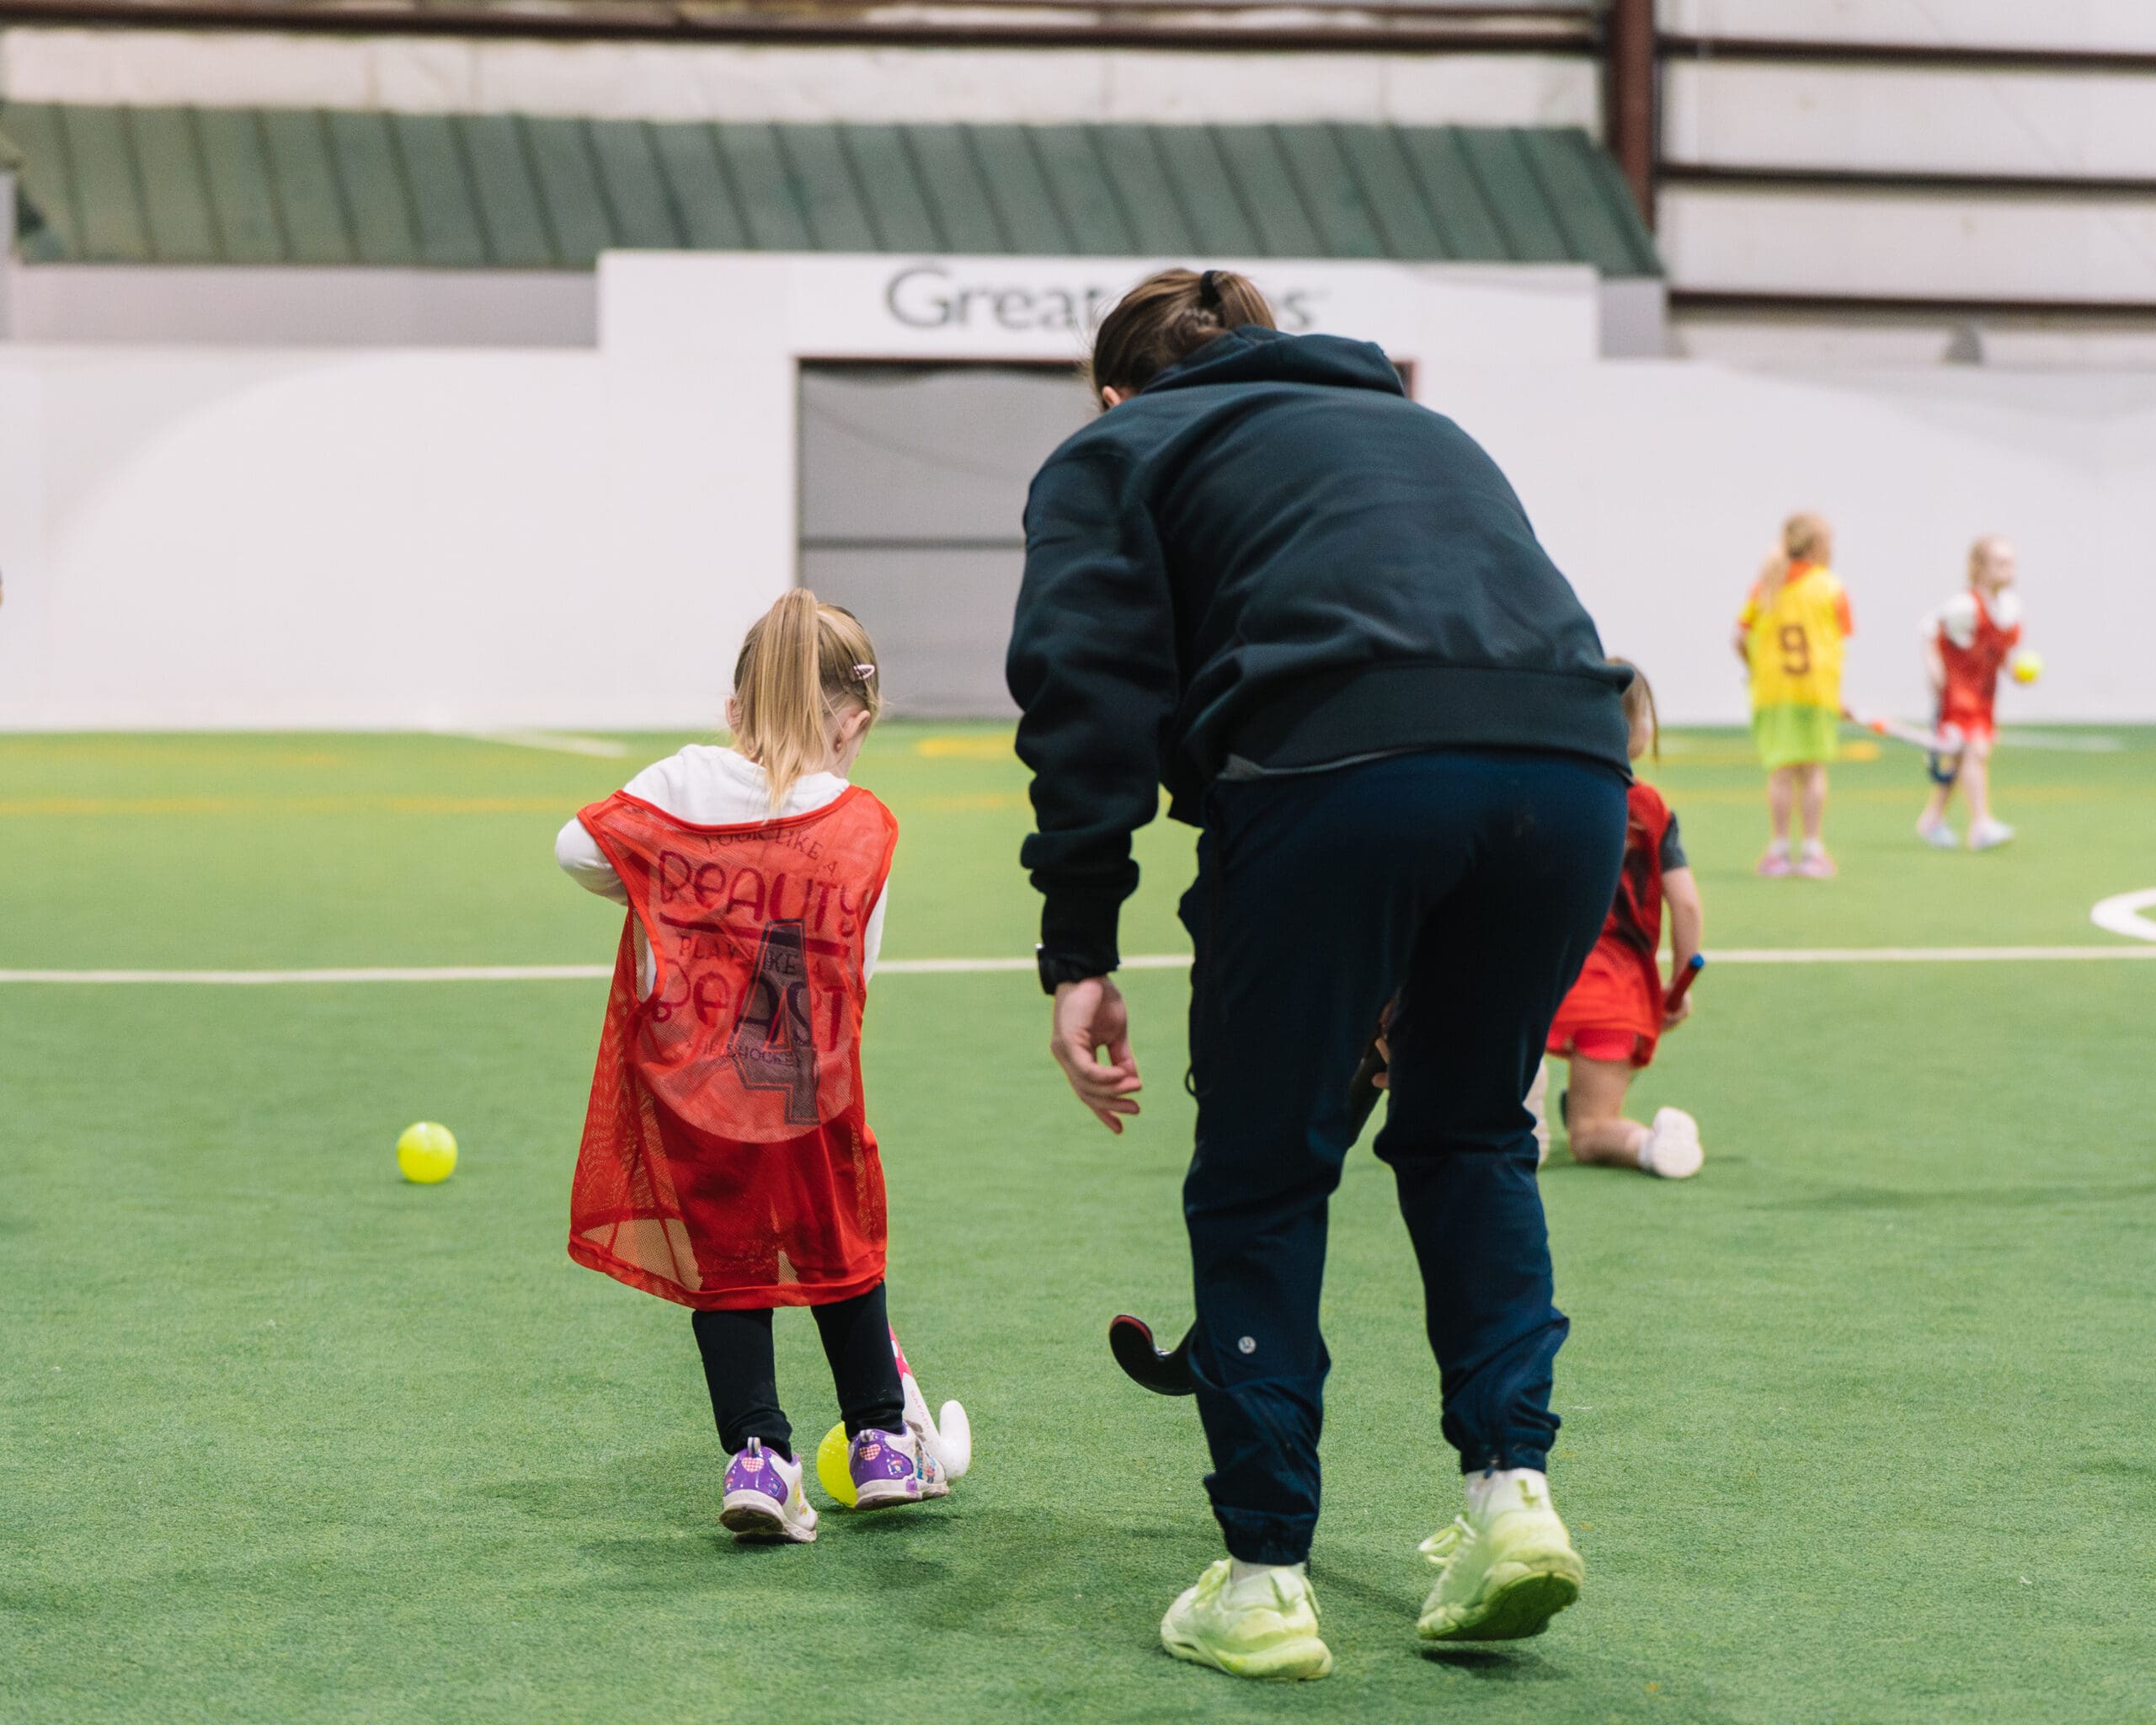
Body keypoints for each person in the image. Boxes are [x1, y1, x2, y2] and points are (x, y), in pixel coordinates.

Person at [1008, 268, 1631, 1679]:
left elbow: (1086, 689)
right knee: (1473, 1128)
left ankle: (1266, 1571)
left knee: (1262, 1170)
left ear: (1120, 390)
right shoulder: (1424, 426)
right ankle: (1507, 1494)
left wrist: (1080, 944)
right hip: (1576, 769)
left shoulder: (1117, 448)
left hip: (1339, 770)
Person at [554, 590, 939, 1546]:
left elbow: (575, 848)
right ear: (851, 723)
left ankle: (758, 1457)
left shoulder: (684, 780)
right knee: (836, 1238)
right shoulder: (858, 818)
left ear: (734, 709)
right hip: (803, 1065)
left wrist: (667, 882)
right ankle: (883, 1440)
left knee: (726, 1263)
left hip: (696, 1077)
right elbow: (855, 963)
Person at [1545, 662, 1705, 1179]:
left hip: (1543, 976)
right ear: (1636, 730)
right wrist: (1677, 988)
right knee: (1593, 1131)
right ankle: (1647, 1144)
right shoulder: (1650, 809)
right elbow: (1686, 905)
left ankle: (1524, 1110)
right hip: (1614, 989)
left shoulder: (1552, 794)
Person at [1734, 514, 1852, 879]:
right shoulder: (1830, 587)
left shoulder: (1765, 585)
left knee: (1782, 773)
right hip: (1815, 693)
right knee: (1813, 771)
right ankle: (1814, 850)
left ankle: (1779, 851)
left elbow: (1740, 636)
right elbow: (1838, 642)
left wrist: (1755, 667)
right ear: (1817, 546)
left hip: (1773, 693)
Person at [1916, 536, 2026, 852]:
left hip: (1985, 695)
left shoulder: (2009, 608)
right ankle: (1981, 825)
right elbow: (1927, 629)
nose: (2010, 571)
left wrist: (2014, 671)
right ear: (1980, 569)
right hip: (1958, 693)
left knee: (1960, 757)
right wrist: (1933, 668)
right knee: (1975, 751)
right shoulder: (1963, 607)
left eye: (2012, 563)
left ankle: (1932, 819)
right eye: (2001, 564)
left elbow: (1999, 651)